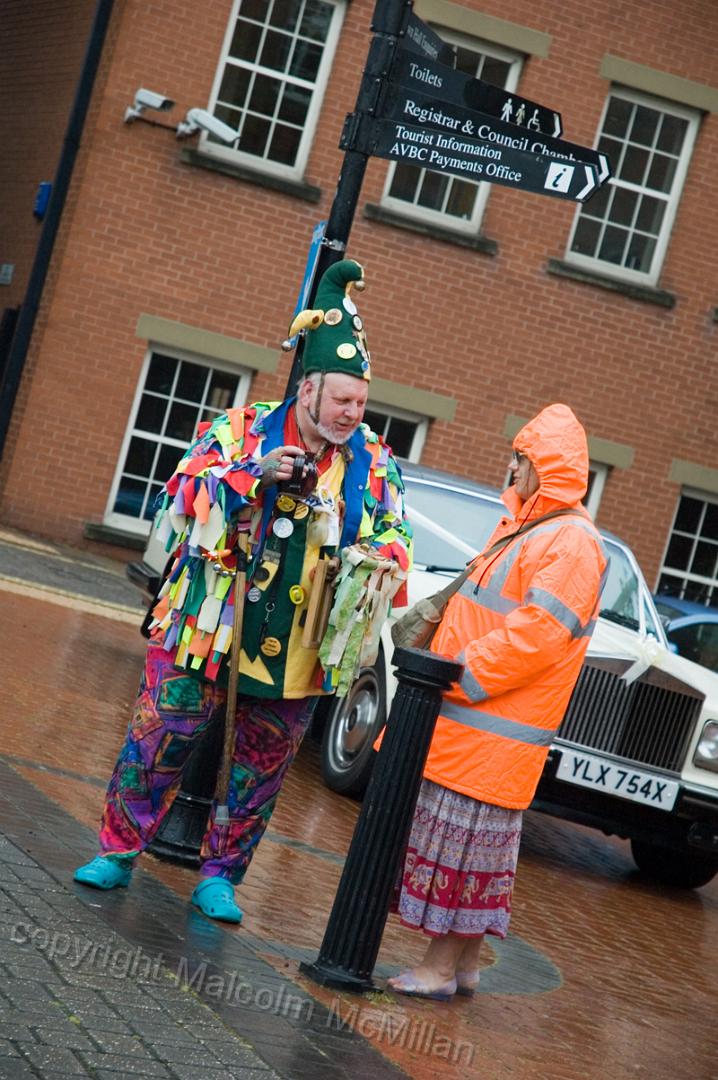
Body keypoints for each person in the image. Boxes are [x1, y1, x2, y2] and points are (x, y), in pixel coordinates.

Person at [74, 259, 412, 923]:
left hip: (298, 652)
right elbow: (181, 498)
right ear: (308, 388)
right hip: (204, 629)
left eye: (360, 403)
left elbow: (397, 538)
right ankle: (117, 851)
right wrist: (253, 476)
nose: (352, 413)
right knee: (157, 740)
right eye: (342, 401)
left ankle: (220, 878)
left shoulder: (374, 462)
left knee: (260, 771)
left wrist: (367, 557)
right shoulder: (240, 430)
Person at [387, 403, 608, 1000]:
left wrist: (455, 674)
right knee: (472, 863)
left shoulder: (569, 542)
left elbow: (536, 636)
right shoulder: (537, 528)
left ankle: (438, 970)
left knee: (463, 862)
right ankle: (462, 965)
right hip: (480, 732)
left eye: (520, 459)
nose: (511, 468)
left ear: (545, 467)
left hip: (490, 732)